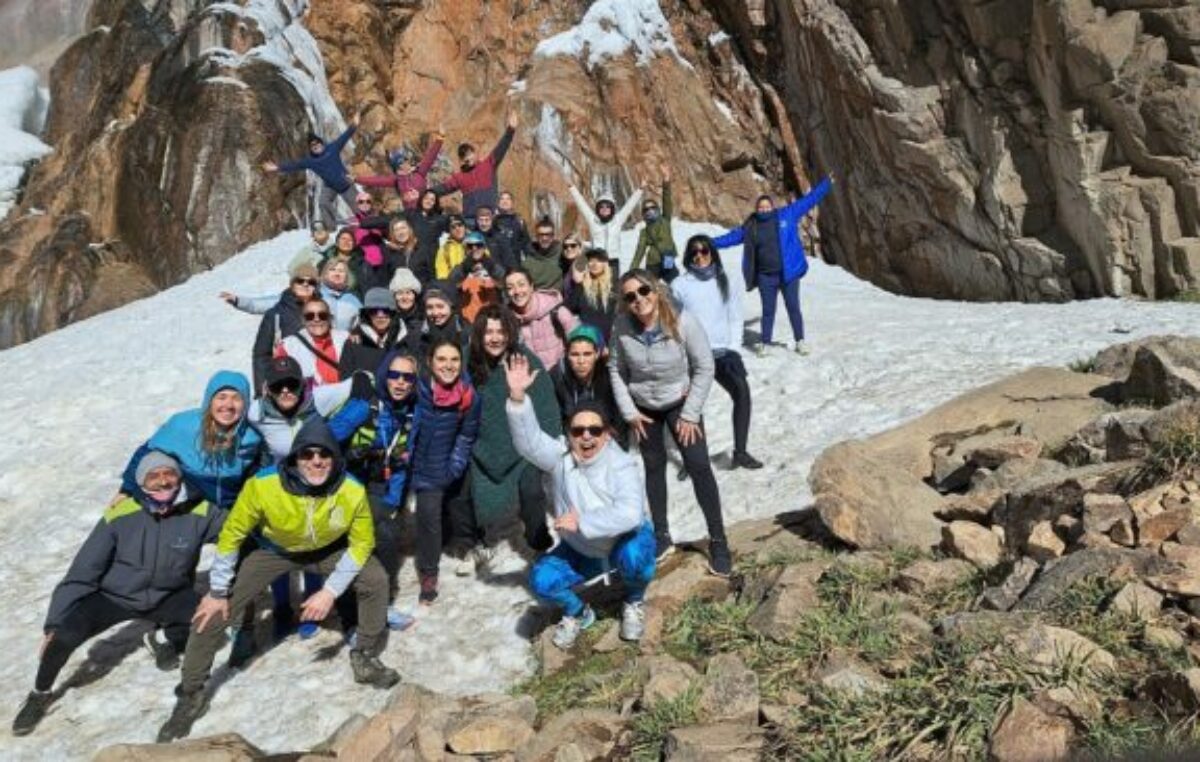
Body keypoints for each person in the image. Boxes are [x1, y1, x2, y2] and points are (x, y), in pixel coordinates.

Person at [157, 419, 399, 743]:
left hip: (328, 549)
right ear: (294, 458)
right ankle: (191, 693)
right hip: (275, 551)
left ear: (335, 458)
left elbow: (361, 545)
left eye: (324, 454)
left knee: (375, 580)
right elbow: (231, 536)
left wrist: (329, 592)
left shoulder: (350, 489)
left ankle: (365, 656)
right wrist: (217, 591)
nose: (316, 461)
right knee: (214, 610)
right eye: (307, 454)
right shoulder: (263, 485)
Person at [12, 453, 222, 737]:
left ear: (179, 477)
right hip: (114, 596)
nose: (163, 481)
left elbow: (237, 531)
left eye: (168, 474)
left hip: (168, 594)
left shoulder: (200, 511)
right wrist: (54, 623)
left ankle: (163, 638)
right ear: (141, 482)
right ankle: (40, 693)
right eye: (153, 476)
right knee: (62, 638)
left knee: (206, 619)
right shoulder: (120, 514)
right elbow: (83, 570)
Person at [505, 354, 655, 649]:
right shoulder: (561, 459)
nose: (586, 437)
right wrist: (518, 397)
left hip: (623, 542)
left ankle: (634, 600)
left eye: (594, 430)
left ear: (607, 434)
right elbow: (530, 442)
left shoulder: (621, 464)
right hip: (581, 550)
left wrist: (581, 522)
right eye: (577, 430)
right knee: (542, 580)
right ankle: (579, 613)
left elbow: (630, 514)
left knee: (636, 558)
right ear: (569, 435)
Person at [608, 270, 730, 576]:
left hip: (680, 402)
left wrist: (690, 413)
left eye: (644, 290)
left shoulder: (682, 320)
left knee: (699, 464)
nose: (639, 299)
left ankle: (718, 539)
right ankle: (661, 534)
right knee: (653, 465)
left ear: (656, 290)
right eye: (630, 296)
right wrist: (629, 413)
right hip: (644, 408)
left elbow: (704, 366)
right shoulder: (621, 327)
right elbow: (616, 370)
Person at [466, 306, 560, 570]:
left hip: (524, 448)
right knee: (466, 491)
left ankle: (539, 543)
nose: (494, 338)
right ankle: (482, 541)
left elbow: (547, 410)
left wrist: (546, 448)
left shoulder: (525, 360)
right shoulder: (468, 361)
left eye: (501, 331)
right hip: (482, 448)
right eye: (488, 332)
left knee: (531, 491)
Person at [329, 350, 419, 607]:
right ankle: (346, 599)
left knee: (386, 536)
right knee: (360, 538)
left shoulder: (413, 413)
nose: (401, 382)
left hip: (382, 489)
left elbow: (403, 463)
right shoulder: (365, 406)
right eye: (394, 375)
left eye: (408, 377)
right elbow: (324, 440)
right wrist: (347, 454)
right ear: (384, 376)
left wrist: (392, 502)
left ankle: (384, 591)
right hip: (349, 485)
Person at [712, 175, 834, 356]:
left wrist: (826, 184)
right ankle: (765, 342)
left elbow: (809, 200)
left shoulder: (786, 215)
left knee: (793, 307)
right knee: (768, 311)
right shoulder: (751, 226)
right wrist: (709, 242)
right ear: (757, 209)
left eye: (767, 206)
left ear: (772, 207)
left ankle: (800, 341)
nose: (764, 209)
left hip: (788, 274)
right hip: (765, 276)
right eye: (761, 207)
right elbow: (732, 238)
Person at [672, 235, 762, 470]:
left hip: (723, 352)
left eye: (704, 251)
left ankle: (740, 452)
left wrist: (734, 348)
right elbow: (675, 323)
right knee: (692, 406)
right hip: (694, 354)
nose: (699, 257)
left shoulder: (728, 279)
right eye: (694, 253)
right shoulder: (680, 285)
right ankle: (694, 461)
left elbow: (735, 316)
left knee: (742, 393)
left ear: (712, 253)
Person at [119, 371, 262, 512]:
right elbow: (146, 453)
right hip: (192, 510)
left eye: (237, 398)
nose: (229, 405)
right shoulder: (183, 425)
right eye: (221, 397)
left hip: (231, 509)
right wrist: (126, 490)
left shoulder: (252, 436)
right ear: (209, 400)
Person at [409, 340, 482, 604]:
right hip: (410, 463)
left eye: (454, 360)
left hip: (439, 465)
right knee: (425, 518)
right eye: (442, 359)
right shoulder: (416, 389)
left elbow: (467, 435)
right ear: (430, 362)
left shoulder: (468, 396)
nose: (448, 365)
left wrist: (454, 466)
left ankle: (429, 575)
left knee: (429, 516)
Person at [263, 115, 360, 229]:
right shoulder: (311, 161)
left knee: (359, 207)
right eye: (312, 145)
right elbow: (295, 165)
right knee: (323, 202)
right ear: (310, 149)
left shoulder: (333, 148)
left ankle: (371, 225)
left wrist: (354, 125)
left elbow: (344, 137)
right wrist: (277, 167)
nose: (315, 146)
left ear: (322, 143)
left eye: (317, 143)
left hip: (345, 183)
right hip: (330, 186)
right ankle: (331, 228)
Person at [225, 258, 361, 333]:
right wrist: (239, 301)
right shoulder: (312, 292)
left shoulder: (353, 300)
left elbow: (365, 325)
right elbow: (270, 302)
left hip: (341, 352)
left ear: (347, 276)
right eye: (332, 270)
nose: (337, 273)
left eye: (342, 271)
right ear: (324, 274)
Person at [432, 112, 518, 221]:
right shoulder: (459, 177)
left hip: (491, 219)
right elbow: (442, 188)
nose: (468, 158)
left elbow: (501, 148)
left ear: (475, 153)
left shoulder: (489, 164)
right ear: (461, 160)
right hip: (470, 221)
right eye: (464, 156)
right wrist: (424, 193)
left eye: (469, 153)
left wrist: (511, 130)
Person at [550, 324, 627, 446]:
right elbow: (555, 417)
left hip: (606, 439)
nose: (581, 361)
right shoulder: (557, 375)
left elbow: (619, 419)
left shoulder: (609, 375)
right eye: (574, 354)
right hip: (572, 439)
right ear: (567, 355)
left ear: (597, 354)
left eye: (587, 354)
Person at [247, 262, 318, 392]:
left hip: (320, 381)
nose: (306, 284)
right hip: (286, 381)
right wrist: (261, 390)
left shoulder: (323, 311)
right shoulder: (275, 314)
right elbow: (261, 355)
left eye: (311, 282)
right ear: (292, 284)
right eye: (300, 280)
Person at [504, 267, 578, 370]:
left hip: (559, 375)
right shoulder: (506, 319)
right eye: (510, 288)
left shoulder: (555, 310)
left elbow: (579, 340)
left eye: (521, 285)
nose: (516, 291)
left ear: (531, 286)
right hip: (530, 379)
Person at [356, 130, 444, 210]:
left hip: (428, 207)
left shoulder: (419, 173)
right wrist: (357, 179)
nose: (406, 164)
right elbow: (376, 181)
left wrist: (439, 140)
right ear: (398, 167)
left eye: (406, 161)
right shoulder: (397, 180)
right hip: (412, 214)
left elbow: (430, 158)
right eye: (402, 163)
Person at [281, 297, 350, 388]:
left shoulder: (346, 338)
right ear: (303, 320)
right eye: (310, 316)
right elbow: (281, 379)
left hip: (345, 397)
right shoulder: (288, 345)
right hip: (310, 399)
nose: (316, 319)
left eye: (322, 315)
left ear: (329, 318)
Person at [339, 288, 409, 377]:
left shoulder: (405, 341)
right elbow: (345, 380)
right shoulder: (353, 343)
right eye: (374, 311)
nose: (380, 315)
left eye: (386, 310)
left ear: (393, 313)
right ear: (367, 314)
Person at [567, 182, 643, 256]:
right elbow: (582, 204)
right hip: (597, 259)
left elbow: (629, 205)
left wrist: (640, 189)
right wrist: (572, 188)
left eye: (608, 206)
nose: (604, 209)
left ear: (612, 209)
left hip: (613, 259)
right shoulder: (593, 220)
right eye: (601, 206)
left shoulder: (618, 220)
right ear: (597, 209)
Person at [630, 168, 679, 282]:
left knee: (676, 286)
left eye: (652, 207)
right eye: (646, 209)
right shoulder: (644, 231)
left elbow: (667, 201)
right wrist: (632, 269)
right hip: (653, 264)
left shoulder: (665, 220)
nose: (650, 211)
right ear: (643, 214)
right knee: (651, 288)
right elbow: (640, 251)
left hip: (668, 259)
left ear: (657, 209)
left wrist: (666, 181)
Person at [405, 282, 470, 361]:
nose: (435, 313)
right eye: (429, 307)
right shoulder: (416, 333)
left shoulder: (466, 332)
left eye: (440, 306)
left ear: (451, 306)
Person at [450, 231, 504, 323]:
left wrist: (490, 279)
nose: (474, 249)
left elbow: (505, 286)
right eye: (470, 246)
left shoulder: (493, 266)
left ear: (484, 248)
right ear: (466, 250)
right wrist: (466, 280)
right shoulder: (460, 268)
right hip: (468, 319)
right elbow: (449, 288)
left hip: (491, 317)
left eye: (478, 245)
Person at [567, 247, 619, 340]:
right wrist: (578, 282)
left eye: (599, 260)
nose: (594, 264)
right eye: (591, 261)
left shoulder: (615, 285)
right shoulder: (582, 286)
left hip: (611, 339)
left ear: (605, 264)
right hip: (588, 340)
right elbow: (570, 307)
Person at [407, 189, 449, 275]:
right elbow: (391, 220)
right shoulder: (411, 214)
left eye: (432, 200)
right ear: (421, 199)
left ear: (435, 203)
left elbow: (454, 227)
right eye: (426, 198)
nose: (428, 201)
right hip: (415, 257)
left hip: (432, 258)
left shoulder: (440, 219)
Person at [524, 217, 563, 292]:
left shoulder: (562, 252)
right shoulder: (528, 257)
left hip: (557, 296)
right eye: (541, 235)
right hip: (536, 296)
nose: (545, 238)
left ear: (553, 236)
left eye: (548, 235)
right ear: (536, 236)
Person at [475, 205, 519, 271]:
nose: (483, 223)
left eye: (487, 220)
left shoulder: (500, 237)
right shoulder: (472, 237)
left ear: (491, 220)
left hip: (497, 274)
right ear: (477, 221)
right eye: (481, 220)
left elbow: (509, 260)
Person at [321, 229, 364, 295]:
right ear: (337, 242)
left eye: (350, 240)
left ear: (354, 244)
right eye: (343, 239)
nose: (346, 242)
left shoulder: (361, 263)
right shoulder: (326, 259)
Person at [494, 190, 531, 258]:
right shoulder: (492, 221)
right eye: (502, 199)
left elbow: (526, 242)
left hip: (515, 260)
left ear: (512, 203)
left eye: (508, 199)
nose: (505, 201)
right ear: (498, 203)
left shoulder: (520, 221)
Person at [390, 268, 425, 335]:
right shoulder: (390, 318)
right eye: (400, 293)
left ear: (415, 295)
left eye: (408, 293)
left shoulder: (423, 317)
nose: (404, 297)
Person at [434, 215, 469, 280]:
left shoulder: (475, 243)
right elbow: (441, 274)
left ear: (464, 226)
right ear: (449, 231)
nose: (457, 229)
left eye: (460, 225)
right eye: (453, 227)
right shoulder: (444, 249)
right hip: (453, 284)